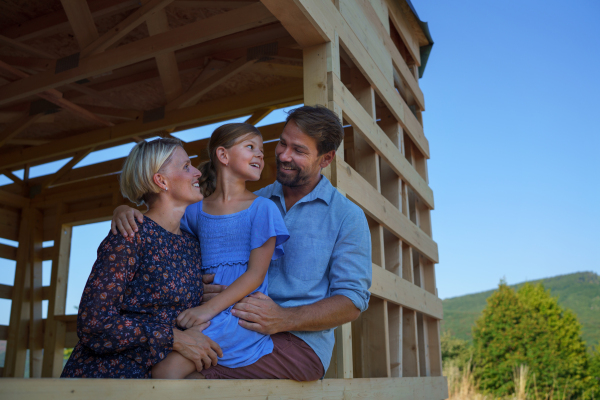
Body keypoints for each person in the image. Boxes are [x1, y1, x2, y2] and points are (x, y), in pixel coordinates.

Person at [111, 105, 372, 380]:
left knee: (186, 378)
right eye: (282, 143)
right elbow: (173, 236)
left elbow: (352, 300)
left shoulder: (346, 216)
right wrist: (126, 211)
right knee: (151, 364)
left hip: (297, 341)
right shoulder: (249, 203)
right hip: (226, 318)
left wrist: (284, 317)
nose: (283, 155)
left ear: (326, 159)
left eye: (299, 150)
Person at [61, 138, 223, 379]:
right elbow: (93, 324)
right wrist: (172, 338)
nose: (198, 172)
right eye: (187, 166)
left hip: (161, 380)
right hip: (107, 381)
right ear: (161, 180)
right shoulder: (129, 235)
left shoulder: (192, 243)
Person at [151, 123, 289, 379]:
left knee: (165, 371)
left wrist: (208, 309)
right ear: (223, 155)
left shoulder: (263, 209)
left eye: (261, 150)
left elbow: (256, 275)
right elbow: (159, 228)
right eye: (250, 147)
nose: (260, 154)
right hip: (200, 311)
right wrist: (123, 211)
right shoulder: (194, 211)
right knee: (184, 378)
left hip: (239, 317)